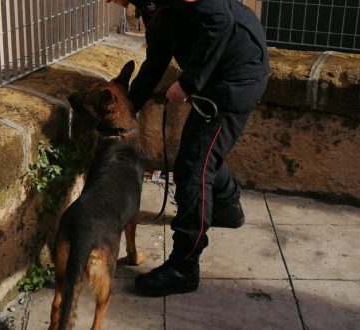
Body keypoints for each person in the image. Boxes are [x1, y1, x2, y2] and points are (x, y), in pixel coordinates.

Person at [105, 0, 271, 296]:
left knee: (194, 166)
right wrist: (128, 109)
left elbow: (219, 20)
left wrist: (188, 82)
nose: (109, 2)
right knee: (204, 150)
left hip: (237, 75)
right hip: (219, 74)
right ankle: (228, 207)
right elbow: (157, 59)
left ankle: (184, 267)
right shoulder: (150, 5)